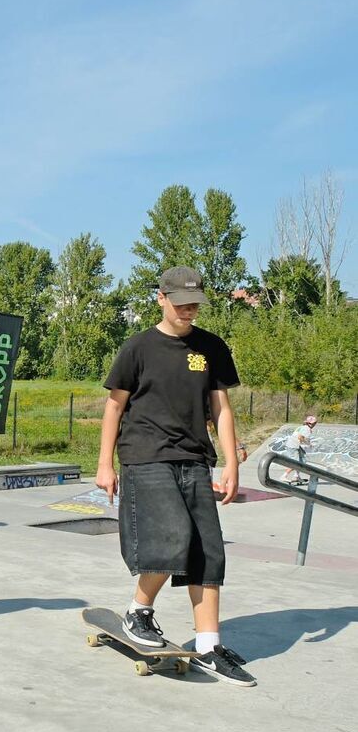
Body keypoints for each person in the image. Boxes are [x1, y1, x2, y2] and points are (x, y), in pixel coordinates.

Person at [96, 265, 255, 687]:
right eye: (180, 303)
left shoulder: (211, 348)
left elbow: (220, 408)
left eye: (194, 304)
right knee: (173, 536)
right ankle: (139, 611)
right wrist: (104, 464)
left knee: (208, 549)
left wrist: (232, 462)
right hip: (146, 455)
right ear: (161, 298)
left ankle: (208, 645)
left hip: (194, 457)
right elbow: (114, 407)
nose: (188, 311)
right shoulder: (138, 348)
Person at [284, 415, 317, 485]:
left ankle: (296, 476)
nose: (315, 424)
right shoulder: (307, 429)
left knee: (303, 459)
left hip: (295, 445)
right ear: (309, 423)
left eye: (315, 423)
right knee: (296, 463)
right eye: (314, 423)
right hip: (292, 446)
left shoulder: (302, 427)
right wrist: (308, 444)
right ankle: (284, 476)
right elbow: (300, 437)